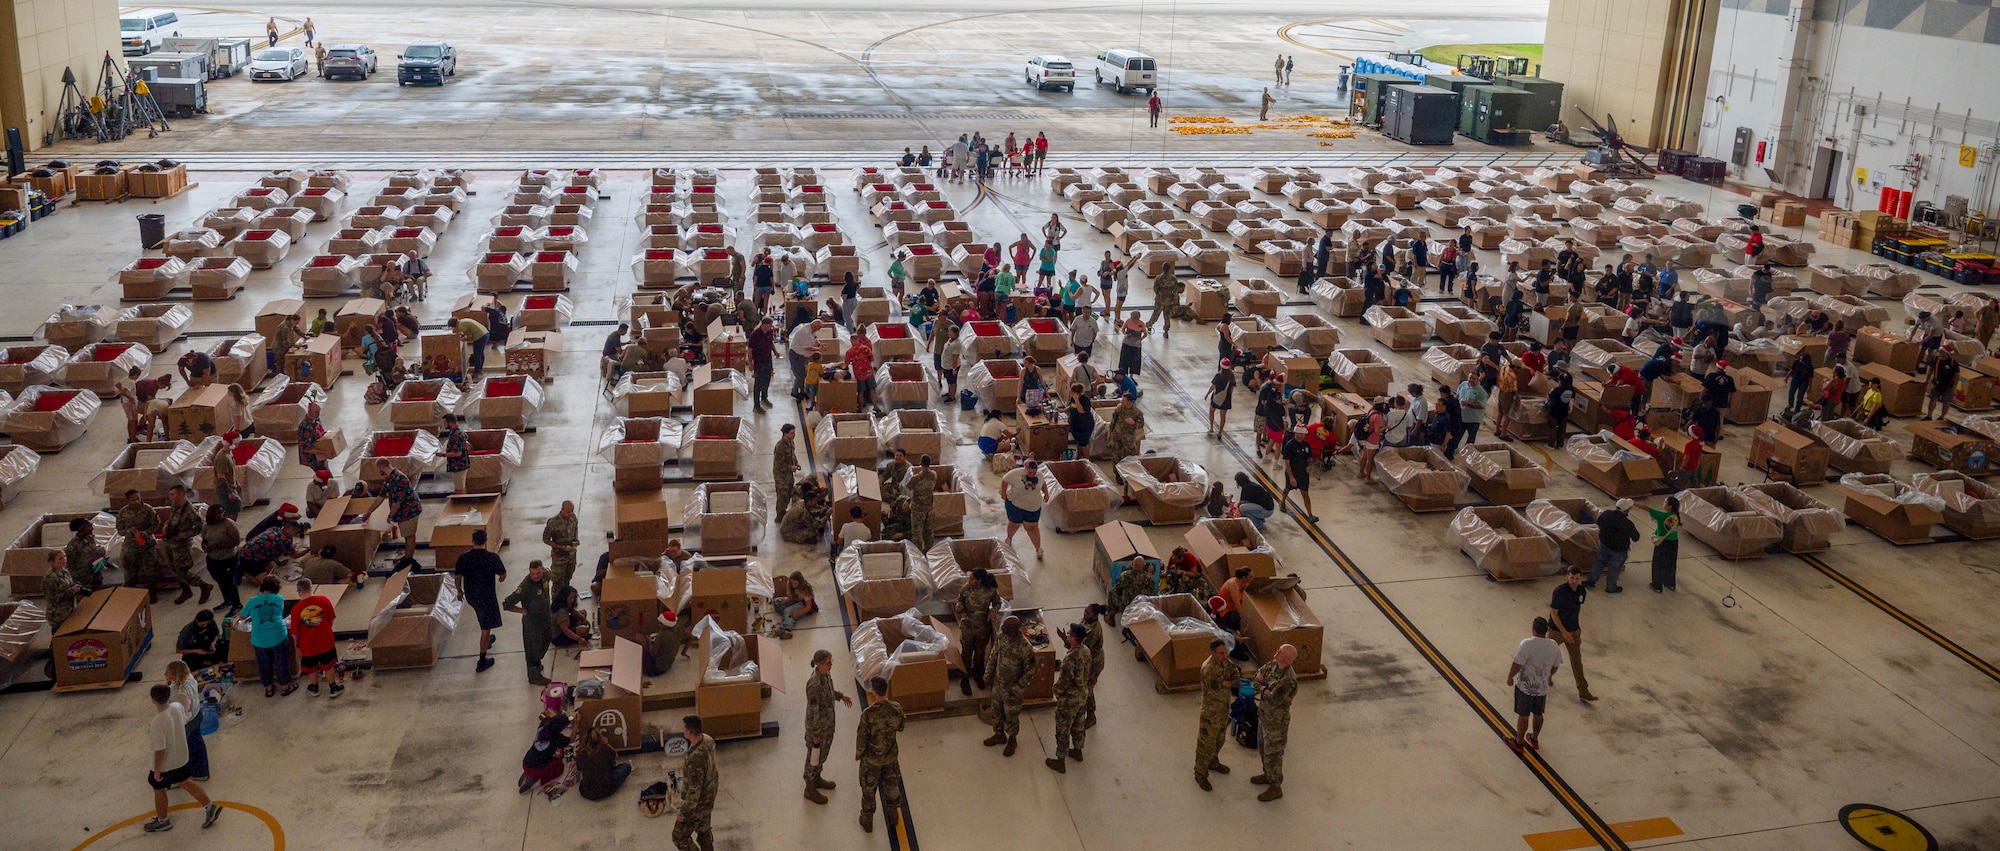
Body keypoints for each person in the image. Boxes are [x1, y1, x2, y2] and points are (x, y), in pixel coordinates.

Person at [142, 683, 222, 833]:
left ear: (153, 700)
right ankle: (210, 806)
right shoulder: (177, 707)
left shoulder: (157, 723)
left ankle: (163, 820)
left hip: (167, 763)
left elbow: (160, 749)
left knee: (157, 787)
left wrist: (157, 770)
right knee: (185, 781)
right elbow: (186, 718)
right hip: (182, 757)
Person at [799, 649, 852, 804]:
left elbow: (828, 692)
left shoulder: (825, 675)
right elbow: (812, 711)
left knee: (822, 754)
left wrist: (840, 696)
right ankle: (809, 788)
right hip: (818, 729)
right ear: (819, 664)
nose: (831, 665)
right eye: (828, 662)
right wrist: (815, 733)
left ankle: (817, 778)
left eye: (831, 662)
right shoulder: (814, 684)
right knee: (813, 757)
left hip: (827, 725)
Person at [855, 676, 905, 833]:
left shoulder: (868, 714)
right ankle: (893, 815)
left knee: (869, 789)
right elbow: (902, 726)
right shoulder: (896, 708)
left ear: (874, 692)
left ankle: (867, 819)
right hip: (890, 757)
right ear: (886, 689)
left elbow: (862, 738)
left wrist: (860, 754)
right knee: (891, 785)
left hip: (872, 760)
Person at [1506, 617, 1564, 752]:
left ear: (1533, 629)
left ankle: (1518, 742)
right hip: (1541, 688)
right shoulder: (1553, 645)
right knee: (1538, 714)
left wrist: (1510, 677)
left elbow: (1517, 663)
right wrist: (1549, 676)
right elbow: (1556, 665)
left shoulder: (1527, 644)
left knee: (1523, 715)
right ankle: (1534, 738)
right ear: (1547, 630)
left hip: (1525, 687)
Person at [455, 529, 507, 674]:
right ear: (486, 540)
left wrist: (459, 591)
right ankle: (482, 661)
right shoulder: (492, 557)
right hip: (486, 597)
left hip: (471, 596)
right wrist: (500, 578)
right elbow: (502, 574)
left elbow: (458, 577)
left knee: (483, 619)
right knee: (486, 627)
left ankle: (487, 641)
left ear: (472, 541)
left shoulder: (463, 558)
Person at [1045, 623, 1094, 773]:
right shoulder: (1086, 651)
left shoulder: (1069, 659)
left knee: (1063, 729)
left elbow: (1065, 681)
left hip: (1069, 700)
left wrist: (1055, 690)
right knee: (1078, 725)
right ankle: (1078, 750)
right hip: (1082, 695)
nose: (1067, 636)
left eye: (1069, 635)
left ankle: (1060, 761)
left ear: (1073, 638)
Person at [984, 616, 1034, 756]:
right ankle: (999, 734)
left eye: (1005, 627)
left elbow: (1030, 670)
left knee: (1011, 715)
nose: (1002, 628)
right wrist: (988, 675)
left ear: (1013, 629)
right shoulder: (1002, 637)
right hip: (999, 684)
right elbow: (994, 656)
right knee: (997, 711)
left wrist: (1019, 686)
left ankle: (1012, 740)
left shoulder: (1025, 647)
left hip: (1013, 689)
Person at [500, 560, 553, 685]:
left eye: (538, 573)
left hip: (545, 616)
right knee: (532, 648)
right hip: (532, 622)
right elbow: (507, 604)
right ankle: (534, 676)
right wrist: (520, 610)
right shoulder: (525, 586)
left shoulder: (546, 574)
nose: (535, 576)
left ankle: (537, 664)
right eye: (533, 573)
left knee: (546, 640)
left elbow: (550, 575)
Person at [290, 578, 345, 697]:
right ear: (311, 587)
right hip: (325, 640)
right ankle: (333, 687)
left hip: (307, 645)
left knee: (311, 666)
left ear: (299, 591)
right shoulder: (324, 600)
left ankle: (314, 687)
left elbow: (295, 633)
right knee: (328, 664)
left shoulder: (296, 610)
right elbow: (331, 619)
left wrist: (297, 646)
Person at [1193, 639, 1236, 791]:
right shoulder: (1208, 669)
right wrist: (1228, 683)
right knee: (1206, 745)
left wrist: (1229, 682)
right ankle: (1200, 773)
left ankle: (1213, 762)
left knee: (1219, 740)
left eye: (1226, 652)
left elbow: (1235, 675)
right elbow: (1217, 688)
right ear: (1213, 653)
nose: (1225, 656)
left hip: (1223, 711)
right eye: (1221, 653)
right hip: (1211, 714)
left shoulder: (1224, 662)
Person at [242, 577, 296, 697]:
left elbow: (242, 616)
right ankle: (285, 687)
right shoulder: (279, 599)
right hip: (278, 636)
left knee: (264, 664)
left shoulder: (252, 601)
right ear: (276, 589)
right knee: (281, 662)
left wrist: (253, 616)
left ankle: (269, 688)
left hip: (259, 640)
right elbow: (278, 613)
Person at [1549, 567, 1596, 701]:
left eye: (1577, 578)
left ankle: (1583, 690)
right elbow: (1554, 613)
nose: (1574, 581)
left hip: (1574, 630)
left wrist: (1575, 628)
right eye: (1571, 578)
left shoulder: (1581, 591)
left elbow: (1577, 607)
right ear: (1567, 577)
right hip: (1557, 631)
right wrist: (1564, 632)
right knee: (1548, 656)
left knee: (1577, 661)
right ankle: (1543, 677)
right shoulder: (1560, 592)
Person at [674, 715, 718, 851]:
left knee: (679, 837)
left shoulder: (695, 760)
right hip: (709, 796)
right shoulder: (708, 740)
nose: (682, 729)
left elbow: (694, 793)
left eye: (684, 727)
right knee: (704, 832)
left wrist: (683, 813)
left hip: (698, 805)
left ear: (689, 732)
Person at [955, 568, 1002, 694]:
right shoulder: (966, 589)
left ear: (979, 581)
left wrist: (993, 611)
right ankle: (964, 680)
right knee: (966, 653)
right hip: (967, 627)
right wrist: (959, 607)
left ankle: (978, 675)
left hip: (982, 628)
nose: (969, 580)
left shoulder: (990, 590)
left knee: (980, 653)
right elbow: (960, 600)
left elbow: (997, 602)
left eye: (972, 579)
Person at [374, 458, 423, 563]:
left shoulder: (398, 479)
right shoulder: (390, 478)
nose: (379, 471)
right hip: (403, 511)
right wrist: (368, 512)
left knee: (409, 536)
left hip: (409, 511)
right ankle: (407, 556)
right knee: (407, 535)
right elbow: (381, 495)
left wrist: (390, 516)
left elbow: (397, 502)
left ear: (382, 467)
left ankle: (409, 561)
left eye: (379, 469)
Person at [1587, 499, 1638, 593]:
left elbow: (1598, 523)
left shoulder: (1606, 514)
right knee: (1614, 568)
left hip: (1603, 544)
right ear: (1626, 510)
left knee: (1599, 562)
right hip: (1619, 550)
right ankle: (1611, 587)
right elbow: (1636, 537)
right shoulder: (1627, 523)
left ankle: (1590, 581)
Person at [575, 724, 632, 802]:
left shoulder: (581, 753)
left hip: (586, 792)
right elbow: (616, 755)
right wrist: (607, 744)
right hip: (606, 790)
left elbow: (579, 768)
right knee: (626, 766)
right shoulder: (605, 749)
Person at [1000, 462, 1046, 557]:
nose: (1033, 474)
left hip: (1033, 507)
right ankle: (1009, 539)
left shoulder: (1040, 475)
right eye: (1030, 472)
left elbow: (1043, 483)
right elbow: (1004, 480)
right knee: (1014, 524)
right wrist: (1003, 493)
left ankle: (1038, 548)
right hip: (1016, 505)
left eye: (1034, 472)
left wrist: (1046, 493)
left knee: (1032, 527)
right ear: (1025, 468)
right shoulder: (1015, 474)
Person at [1644, 496, 1683, 592]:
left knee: (1658, 563)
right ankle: (1670, 583)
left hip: (1663, 543)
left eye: (1665, 502)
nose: (1663, 503)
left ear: (1670, 506)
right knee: (1670, 562)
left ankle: (1656, 585)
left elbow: (1646, 508)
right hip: (1674, 542)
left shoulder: (1662, 515)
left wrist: (1632, 503)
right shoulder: (1675, 516)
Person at [541, 501, 580, 593]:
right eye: (568, 512)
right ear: (562, 510)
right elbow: (545, 539)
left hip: (571, 554)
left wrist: (576, 539)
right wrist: (560, 547)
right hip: (559, 556)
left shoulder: (573, 518)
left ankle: (565, 600)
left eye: (572, 511)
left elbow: (576, 527)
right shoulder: (553, 522)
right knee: (558, 581)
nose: (570, 514)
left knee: (568, 577)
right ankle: (556, 604)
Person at [1279, 429, 1317, 521]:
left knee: (1305, 493)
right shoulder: (1289, 445)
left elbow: (1309, 457)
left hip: (1303, 473)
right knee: (1287, 489)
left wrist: (1310, 465)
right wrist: (1291, 477)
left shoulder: (1306, 445)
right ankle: (1282, 501)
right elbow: (1287, 462)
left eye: (1303, 434)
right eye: (1300, 433)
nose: (1301, 436)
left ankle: (1310, 514)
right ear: (1295, 433)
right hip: (1292, 472)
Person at [40, 551, 80, 631]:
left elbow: (68, 585)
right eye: (60, 558)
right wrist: (71, 591)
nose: (64, 559)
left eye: (65, 556)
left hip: (67, 610)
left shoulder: (64, 571)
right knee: (59, 639)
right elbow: (53, 598)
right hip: (58, 615)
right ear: (52, 562)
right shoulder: (50, 578)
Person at [771, 571, 817, 638]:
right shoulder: (791, 587)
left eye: (795, 583)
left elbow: (808, 607)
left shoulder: (805, 590)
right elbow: (790, 598)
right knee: (776, 602)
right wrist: (784, 601)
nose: (793, 585)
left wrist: (799, 612)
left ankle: (787, 629)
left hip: (803, 605)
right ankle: (789, 617)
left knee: (787, 611)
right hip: (795, 601)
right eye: (792, 583)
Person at [1205, 361, 1235, 436]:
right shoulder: (1231, 376)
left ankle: (1211, 427)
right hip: (1226, 398)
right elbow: (1232, 389)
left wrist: (1207, 394)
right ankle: (1220, 432)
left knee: (1212, 411)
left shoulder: (1218, 376)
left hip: (1217, 397)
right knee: (1223, 416)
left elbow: (1213, 387)